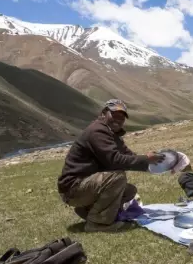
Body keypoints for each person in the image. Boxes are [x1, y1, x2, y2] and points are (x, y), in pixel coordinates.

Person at [57, 99, 165, 232]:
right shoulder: (97, 131)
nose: (118, 120)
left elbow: (129, 156)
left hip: (84, 186)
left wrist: (158, 164)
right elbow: (114, 160)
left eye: (122, 117)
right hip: (73, 188)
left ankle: (88, 211)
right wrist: (146, 159)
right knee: (116, 177)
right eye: (114, 115)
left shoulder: (112, 135)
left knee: (129, 191)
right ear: (103, 113)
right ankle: (97, 223)